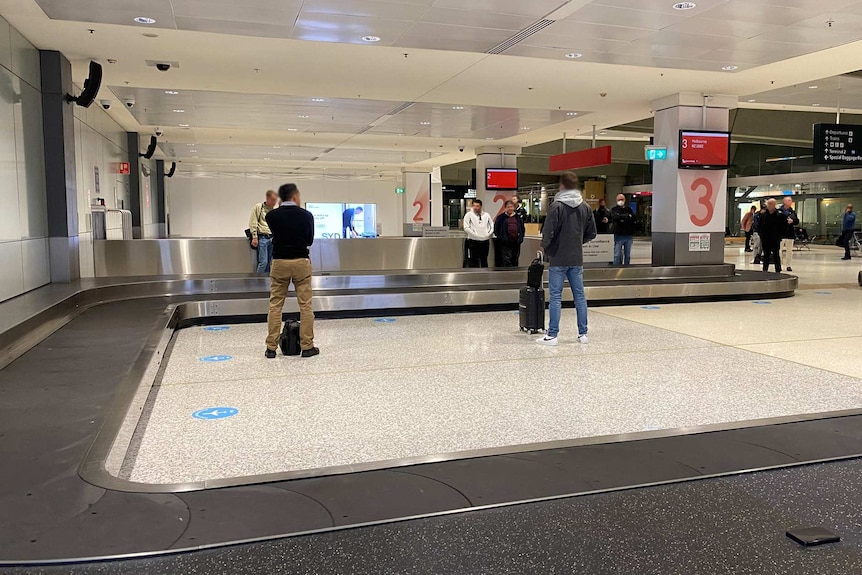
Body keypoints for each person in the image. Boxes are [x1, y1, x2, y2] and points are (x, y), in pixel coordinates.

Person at [536, 171, 597, 346]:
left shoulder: (557, 206)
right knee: (580, 296)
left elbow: (548, 232)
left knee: (556, 296)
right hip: (576, 258)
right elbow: (592, 233)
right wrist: (578, 242)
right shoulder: (585, 207)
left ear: (562, 186)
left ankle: (553, 335)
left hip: (558, 257)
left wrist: (547, 246)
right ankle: (583, 334)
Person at [264, 183, 319, 359]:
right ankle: (307, 346)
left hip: (280, 262)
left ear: (281, 198)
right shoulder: (306, 215)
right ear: (295, 196)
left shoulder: (272, 216)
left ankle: (271, 348)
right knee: (305, 305)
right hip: (300, 262)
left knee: (275, 305)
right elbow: (309, 240)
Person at [248, 190, 278, 273]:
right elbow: (253, 222)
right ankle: (258, 281)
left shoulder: (275, 209)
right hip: (262, 237)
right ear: (267, 199)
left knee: (270, 262)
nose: (274, 202)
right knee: (263, 262)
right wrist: (254, 236)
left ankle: (266, 282)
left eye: (275, 200)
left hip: (273, 238)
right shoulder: (259, 207)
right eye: (272, 200)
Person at [494, 200, 525, 267]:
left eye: (511, 207)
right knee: (506, 260)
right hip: (505, 243)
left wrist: (520, 238)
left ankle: (515, 274)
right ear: (505, 208)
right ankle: (507, 275)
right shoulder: (500, 218)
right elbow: (496, 229)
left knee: (515, 259)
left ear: (513, 208)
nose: (510, 208)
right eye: (508, 207)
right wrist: (501, 238)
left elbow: (522, 229)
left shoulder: (518, 218)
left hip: (516, 242)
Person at [463, 199, 494, 267]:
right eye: (474, 206)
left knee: (484, 260)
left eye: (477, 206)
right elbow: (466, 227)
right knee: (473, 260)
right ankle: (474, 276)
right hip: (473, 241)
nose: (475, 207)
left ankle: (485, 275)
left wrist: (487, 234)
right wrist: (475, 234)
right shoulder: (468, 215)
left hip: (485, 241)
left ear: (481, 206)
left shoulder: (486, 215)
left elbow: (491, 225)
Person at [759, 199, 785, 274]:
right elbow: (760, 225)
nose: (770, 206)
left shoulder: (780, 215)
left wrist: (780, 235)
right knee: (766, 254)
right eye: (769, 204)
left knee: (776, 254)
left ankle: (778, 269)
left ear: (775, 205)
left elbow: (783, 226)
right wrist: (761, 235)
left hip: (775, 238)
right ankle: (765, 269)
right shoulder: (763, 215)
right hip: (765, 238)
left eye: (771, 204)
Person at [611, 194, 636, 266]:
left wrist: (622, 218)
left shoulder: (629, 209)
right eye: (619, 200)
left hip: (628, 235)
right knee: (617, 255)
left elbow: (633, 218)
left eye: (622, 199)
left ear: (625, 200)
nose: (620, 201)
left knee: (627, 255)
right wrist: (627, 217)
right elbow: (616, 218)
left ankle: (626, 268)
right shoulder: (614, 209)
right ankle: (615, 269)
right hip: (618, 235)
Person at [777, 197, 799, 272]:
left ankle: (788, 265)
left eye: (791, 200)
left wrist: (792, 221)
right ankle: (779, 264)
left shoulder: (792, 211)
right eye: (789, 200)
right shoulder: (779, 211)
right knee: (779, 250)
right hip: (781, 234)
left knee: (789, 251)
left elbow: (797, 221)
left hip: (790, 233)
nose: (790, 202)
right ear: (784, 201)